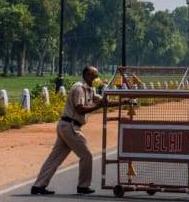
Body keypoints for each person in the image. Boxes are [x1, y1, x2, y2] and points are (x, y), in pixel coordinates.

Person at [31, 66, 124, 195]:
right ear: (86, 76)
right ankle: (83, 186)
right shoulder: (79, 88)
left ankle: (38, 186)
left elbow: (103, 102)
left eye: (97, 76)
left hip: (66, 125)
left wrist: (123, 102)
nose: (96, 78)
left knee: (55, 158)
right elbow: (80, 109)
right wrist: (98, 106)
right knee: (86, 155)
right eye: (93, 76)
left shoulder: (90, 89)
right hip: (70, 126)